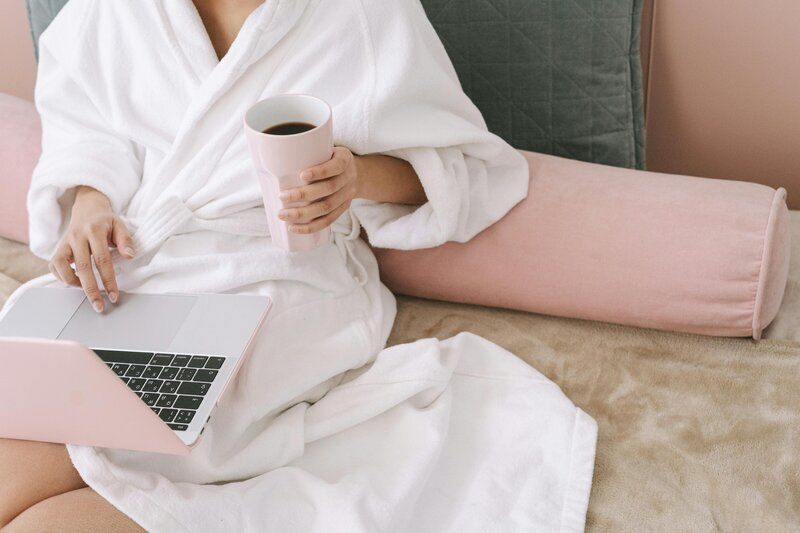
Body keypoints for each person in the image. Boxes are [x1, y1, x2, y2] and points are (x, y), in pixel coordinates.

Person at [0, 0, 597, 531]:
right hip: (140, 268)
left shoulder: (364, 14)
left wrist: (357, 176)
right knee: (29, 430)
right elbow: (87, 131)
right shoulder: (113, 10)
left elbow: (469, 172)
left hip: (282, 280)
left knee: (106, 440)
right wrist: (90, 204)